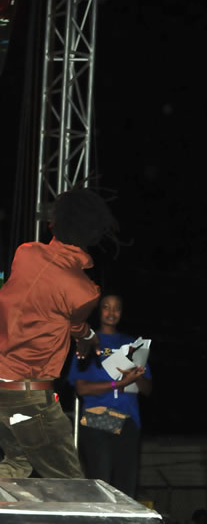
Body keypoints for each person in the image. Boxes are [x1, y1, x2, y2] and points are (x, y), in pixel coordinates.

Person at [0, 189, 117, 478]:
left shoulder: (25, 253)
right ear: (93, 233)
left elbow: (56, 312)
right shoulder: (84, 291)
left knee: (16, 466)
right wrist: (87, 337)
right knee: (71, 487)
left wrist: (83, 335)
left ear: (56, 222)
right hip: (26, 398)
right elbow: (73, 319)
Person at [68, 293, 152, 497]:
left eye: (116, 308)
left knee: (126, 487)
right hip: (98, 415)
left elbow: (148, 389)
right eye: (106, 307)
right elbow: (82, 388)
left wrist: (134, 377)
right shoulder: (89, 341)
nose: (111, 312)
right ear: (99, 311)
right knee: (102, 482)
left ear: (122, 313)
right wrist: (118, 383)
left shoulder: (133, 344)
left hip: (128, 419)